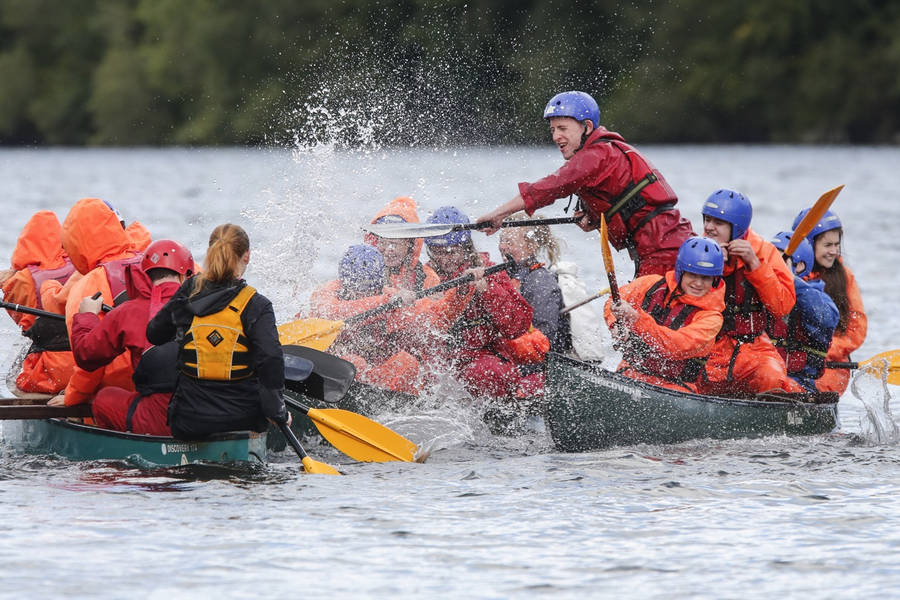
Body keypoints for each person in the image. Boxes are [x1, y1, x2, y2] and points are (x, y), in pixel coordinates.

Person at [476, 90, 694, 276]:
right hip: (663, 247)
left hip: (665, 250)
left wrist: (498, 214)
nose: (555, 136)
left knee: (639, 309)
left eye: (562, 128)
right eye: (552, 130)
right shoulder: (600, 153)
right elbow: (623, 205)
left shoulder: (596, 156)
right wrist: (595, 219)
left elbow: (547, 188)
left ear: (587, 127)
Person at [146, 224, 290, 439]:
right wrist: (278, 413)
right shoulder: (257, 305)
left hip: (189, 420)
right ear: (247, 256)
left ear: (210, 252)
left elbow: (155, 334)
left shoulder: (189, 291)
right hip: (243, 420)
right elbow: (270, 359)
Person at [69, 239, 194, 435]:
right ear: (185, 276)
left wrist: (88, 315)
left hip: (159, 418)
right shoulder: (206, 304)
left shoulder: (127, 312)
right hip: (207, 411)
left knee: (104, 398)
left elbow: (86, 355)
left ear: (145, 274)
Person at [415, 206, 540, 400]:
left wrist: (488, 291)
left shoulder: (490, 272)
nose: (445, 259)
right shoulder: (424, 277)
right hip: (437, 358)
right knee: (414, 369)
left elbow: (517, 327)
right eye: (438, 252)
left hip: (479, 355)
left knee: (487, 372)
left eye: (451, 252)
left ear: (465, 247)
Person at [696, 189, 802, 396]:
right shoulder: (697, 250)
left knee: (771, 377)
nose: (708, 227)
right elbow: (684, 302)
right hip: (708, 345)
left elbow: (782, 307)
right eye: (707, 220)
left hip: (753, 347)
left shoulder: (765, 252)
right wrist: (716, 268)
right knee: (688, 377)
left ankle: (792, 397)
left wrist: (755, 265)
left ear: (737, 227)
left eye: (718, 222)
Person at [46, 198, 144, 408]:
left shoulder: (85, 287)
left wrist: (74, 395)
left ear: (75, 243)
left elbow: (90, 359)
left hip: (119, 388)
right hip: (171, 383)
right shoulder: (159, 265)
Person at [604, 236, 726, 392]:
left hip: (675, 388)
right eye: (692, 275)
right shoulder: (651, 284)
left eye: (706, 278)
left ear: (715, 280)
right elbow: (613, 301)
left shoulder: (712, 319)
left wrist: (635, 319)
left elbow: (675, 346)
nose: (698, 283)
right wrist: (615, 324)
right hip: (630, 373)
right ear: (680, 271)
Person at [309, 244, 420, 394]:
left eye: (368, 290)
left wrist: (408, 305)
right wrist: (385, 302)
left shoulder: (391, 296)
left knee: (407, 362)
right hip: (331, 367)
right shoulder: (325, 292)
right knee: (354, 362)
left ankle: (388, 399)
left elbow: (416, 319)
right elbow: (333, 313)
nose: (361, 295)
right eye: (356, 289)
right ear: (344, 282)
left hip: (371, 371)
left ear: (378, 284)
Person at [0, 211, 76, 394]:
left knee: (18, 378)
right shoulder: (79, 268)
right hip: (84, 364)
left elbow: (23, 322)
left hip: (46, 371)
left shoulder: (20, 280)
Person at [792, 208, 866, 393]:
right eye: (827, 245)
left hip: (830, 364)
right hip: (793, 356)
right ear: (808, 244)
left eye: (836, 244)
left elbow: (856, 330)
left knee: (806, 390)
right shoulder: (790, 271)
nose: (834, 251)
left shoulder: (845, 277)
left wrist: (828, 349)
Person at [767, 232, 839, 393]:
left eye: (777, 260)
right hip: (765, 374)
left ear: (799, 266)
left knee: (774, 381)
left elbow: (825, 320)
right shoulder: (763, 291)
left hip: (801, 382)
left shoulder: (817, 297)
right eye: (768, 260)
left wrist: (790, 280)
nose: (770, 266)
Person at [497, 212, 572, 354]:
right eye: (501, 240)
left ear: (531, 247)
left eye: (509, 242)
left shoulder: (540, 282)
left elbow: (544, 335)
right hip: (517, 351)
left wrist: (501, 344)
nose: (502, 247)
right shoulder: (505, 276)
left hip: (543, 358)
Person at [363, 196, 440, 292]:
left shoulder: (428, 277)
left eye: (394, 244)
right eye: (383, 242)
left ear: (410, 245)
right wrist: (391, 295)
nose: (388, 250)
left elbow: (437, 303)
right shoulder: (363, 271)